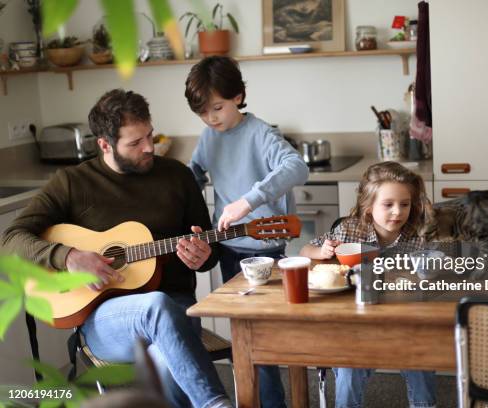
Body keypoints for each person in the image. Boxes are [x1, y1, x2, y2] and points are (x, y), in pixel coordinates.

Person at [1, 89, 232, 408]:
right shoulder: (72, 183)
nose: (149, 147)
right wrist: (67, 257)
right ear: (105, 145)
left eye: (150, 135)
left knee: (165, 362)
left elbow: (209, 250)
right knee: (155, 305)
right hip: (104, 319)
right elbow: (10, 240)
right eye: (135, 143)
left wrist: (204, 257)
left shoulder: (177, 176)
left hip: (177, 308)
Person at [185, 56, 309, 408]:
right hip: (226, 250)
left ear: (238, 96)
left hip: (263, 252)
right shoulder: (209, 136)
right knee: (243, 341)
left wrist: (248, 200)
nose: (211, 118)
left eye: (218, 108)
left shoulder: (261, 133)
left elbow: (296, 167)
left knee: (262, 344)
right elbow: (193, 174)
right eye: (203, 112)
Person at [300, 161, 437, 408]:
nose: (397, 212)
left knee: (422, 363)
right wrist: (321, 251)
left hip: (405, 325)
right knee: (349, 371)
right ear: (368, 207)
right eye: (388, 205)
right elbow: (305, 249)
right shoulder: (349, 230)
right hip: (356, 328)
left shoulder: (420, 235)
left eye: (404, 204)